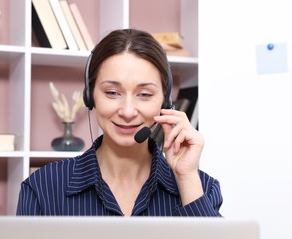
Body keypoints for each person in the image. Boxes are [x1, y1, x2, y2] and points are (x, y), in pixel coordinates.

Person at [16, 28, 222, 216]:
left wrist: (187, 179)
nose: (127, 111)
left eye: (144, 94)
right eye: (112, 93)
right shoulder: (42, 188)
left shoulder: (201, 186)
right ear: (90, 96)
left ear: (166, 102)